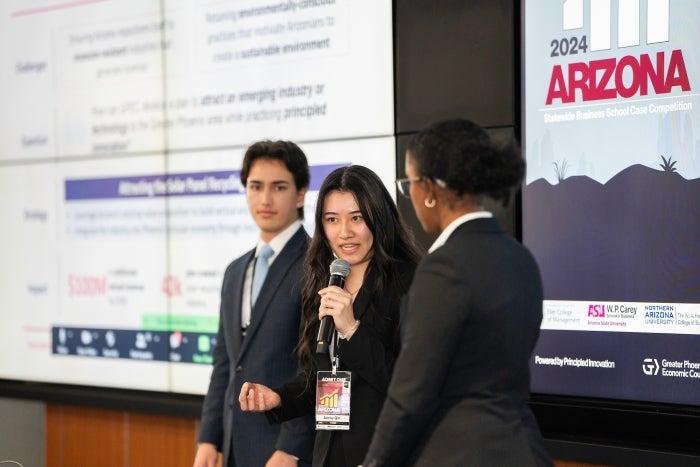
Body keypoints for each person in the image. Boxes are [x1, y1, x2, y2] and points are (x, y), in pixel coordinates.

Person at [362, 118, 553, 466]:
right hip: (524, 450)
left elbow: (410, 394)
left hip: (460, 454)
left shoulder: (444, 267)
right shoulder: (521, 257)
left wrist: (374, 463)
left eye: (409, 184)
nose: (411, 196)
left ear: (431, 189)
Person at [238, 165, 421, 467]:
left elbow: (410, 384)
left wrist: (352, 329)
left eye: (357, 218)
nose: (344, 232)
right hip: (329, 454)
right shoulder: (325, 282)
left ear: (379, 216)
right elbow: (321, 377)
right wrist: (279, 397)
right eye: (332, 220)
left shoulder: (409, 283)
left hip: (387, 454)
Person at [194, 140, 315, 467]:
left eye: (279, 187)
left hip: (284, 452)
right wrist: (209, 436)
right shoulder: (235, 271)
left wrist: (292, 447)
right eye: (255, 186)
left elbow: (317, 370)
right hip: (234, 446)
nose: (265, 199)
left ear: (301, 193)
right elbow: (226, 362)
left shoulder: (315, 265)